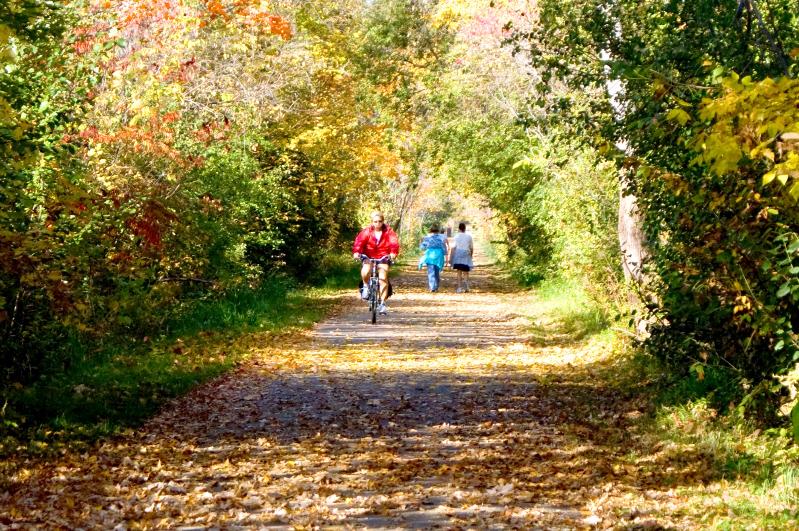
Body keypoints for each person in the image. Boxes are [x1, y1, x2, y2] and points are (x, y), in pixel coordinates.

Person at [352, 211, 399, 314]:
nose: (377, 223)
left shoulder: (388, 231)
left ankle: (382, 304)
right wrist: (356, 252)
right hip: (368, 255)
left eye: (380, 221)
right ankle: (365, 286)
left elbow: (393, 242)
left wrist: (393, 252)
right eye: (375, 221)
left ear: (383, 221)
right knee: (366, 270)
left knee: (383, 278)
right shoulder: (366, 231)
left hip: (383, 256)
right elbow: (359, 242)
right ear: (372, 222)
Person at [418, 223, 448, 292]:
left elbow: (422, 247)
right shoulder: (441, 238)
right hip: (438, 257)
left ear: (430, 231)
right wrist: (446, 257)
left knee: (431, 272)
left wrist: (420, 242)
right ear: (438, 231)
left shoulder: (427, 238)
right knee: (437, 272)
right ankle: (436, 286)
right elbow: (444, 248)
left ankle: (432, 287)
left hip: (430, 256)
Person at [449, 222, 473, 293]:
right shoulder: (469, 237)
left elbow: (453, 248)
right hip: (466, 253)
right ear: (465, 229)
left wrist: (451, 257)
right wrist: (470, 256)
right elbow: (471, 248)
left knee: (459, 272)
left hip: (458, 254)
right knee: (466, 271)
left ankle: (459, 288)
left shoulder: (456, 236)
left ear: (459, 229)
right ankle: (466, 287)